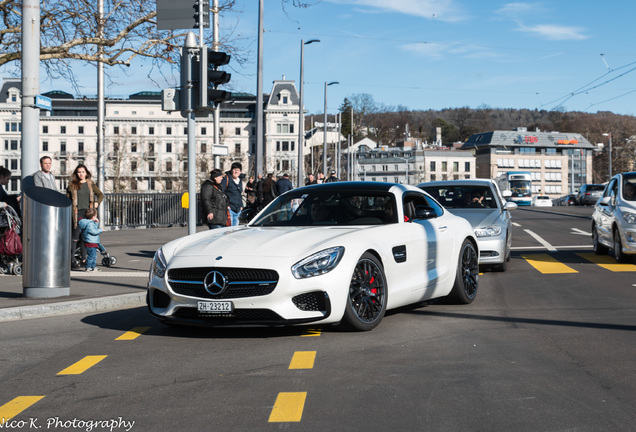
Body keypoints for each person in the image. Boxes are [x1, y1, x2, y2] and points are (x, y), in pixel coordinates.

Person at [66, 164, 104, 268]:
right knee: (75, 237)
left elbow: (100, 195)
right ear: (76, 173)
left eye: (83, 172)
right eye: (79, 172)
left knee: (85, 237)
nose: (81, 174)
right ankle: (71, 260)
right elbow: (67, 200)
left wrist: (97, 203)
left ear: (86, 173)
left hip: (88, 214)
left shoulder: (90, 183)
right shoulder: (71, 185)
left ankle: (84, 259)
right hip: (76, 213)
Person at [77, 208, 103, 272]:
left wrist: (97, 223)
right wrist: (101, 230)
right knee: (92, 256)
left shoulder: (89, 222)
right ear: (93, 217)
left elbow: (93, 228)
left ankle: (92, 267)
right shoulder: (90, 223)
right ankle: (89, 267)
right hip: (91, 242)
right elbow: (93, 231)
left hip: (91, 241)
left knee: (93, 256)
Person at [219, 162, 243, 226]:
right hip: (229, 209)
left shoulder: (240, 180)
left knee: (235, 230)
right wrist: (226, 205)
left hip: (238, 209)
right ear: (231, 170)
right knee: (229, 229)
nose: (235, 172)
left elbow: (239, 194)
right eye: (234, 169)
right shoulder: (226, 179)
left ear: (240, 172)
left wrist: (241, 206)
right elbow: (220, 193)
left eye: (237, 170)